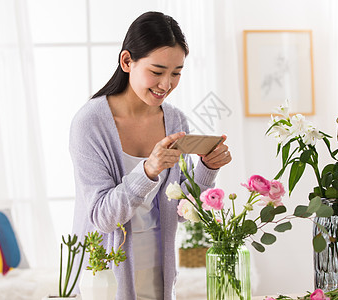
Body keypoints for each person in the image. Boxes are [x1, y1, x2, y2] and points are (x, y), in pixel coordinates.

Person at [69, 11, 232, 300]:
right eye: (157, 72)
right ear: (127, 61)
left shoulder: (175, 120)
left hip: (158, 273)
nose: (166, 84)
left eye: (176, 73)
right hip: (105, 278)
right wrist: (148, 171)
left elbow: (181, 210)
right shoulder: (89, 123)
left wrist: (207, 168)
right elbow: (102, 217)